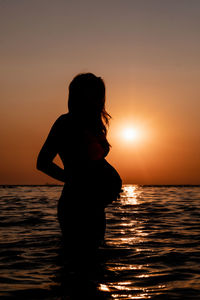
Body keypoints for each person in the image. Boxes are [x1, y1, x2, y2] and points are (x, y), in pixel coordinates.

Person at [37, 73, 122, 256]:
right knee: (76, 261)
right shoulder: (65, 123)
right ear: (78, 95)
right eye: (92, 94)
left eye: (99, 95)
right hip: (76, 204)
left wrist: (108, 186)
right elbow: (42, 163)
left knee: (95, 265)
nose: (97, 100)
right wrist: (75, 180)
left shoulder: (94, 125)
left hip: (95, 204)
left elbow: (95, 163)